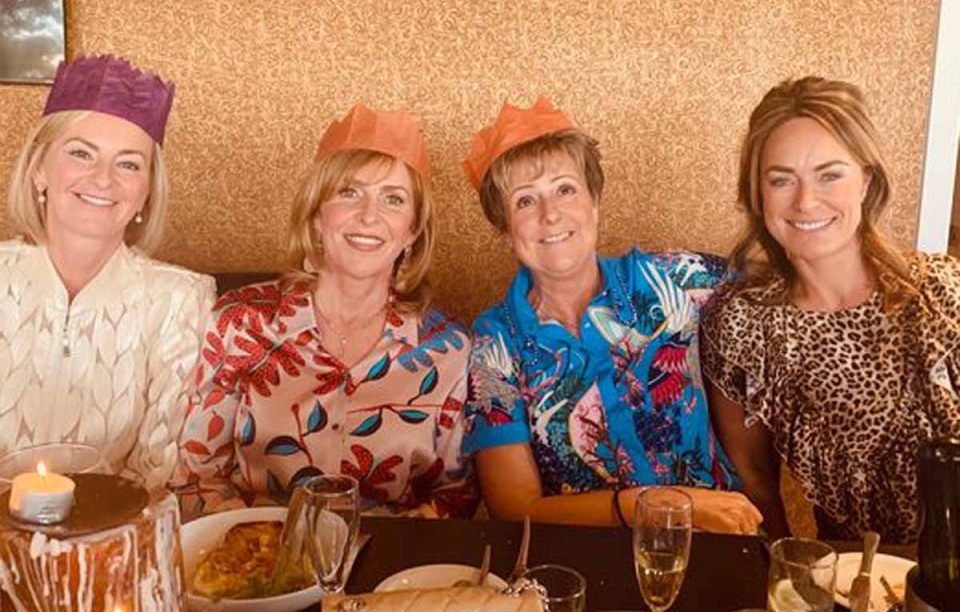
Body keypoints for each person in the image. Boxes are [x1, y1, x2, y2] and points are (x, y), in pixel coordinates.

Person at [461, 97, 762, 533]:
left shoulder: (673, 280)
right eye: (525, 201)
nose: (550, 215)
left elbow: (788, 282)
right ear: (505, 229)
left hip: (714, 542)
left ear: (594, 201)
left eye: (565, 189)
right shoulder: (495, 343)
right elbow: (513, 507)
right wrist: (648, 505)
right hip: (583, 562)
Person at [175, 105, 477, 520]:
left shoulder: (450, 350)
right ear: (317, 214)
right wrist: (258, 553)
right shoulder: (239, 323)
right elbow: (196, 477)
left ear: (411, 230)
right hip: (255, 562)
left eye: (393, 199)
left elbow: (455, 496)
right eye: (349, 193)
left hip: (388, 572)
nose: (370, 216)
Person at [701, 76, 960, 544]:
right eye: (782, 180)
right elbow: (757, 486)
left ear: (866, 179)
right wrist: (790, 588)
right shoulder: (741, 325)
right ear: (758, 195)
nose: (805, 201)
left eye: (829, 174)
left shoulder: (943, 297)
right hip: (851, 592)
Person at [0, 54, 215, 490]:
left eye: (129, 163)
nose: (103, 179)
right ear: (40, 169)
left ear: (146, 191)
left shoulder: (181, 300)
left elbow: (158, 475)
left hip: (113, 544)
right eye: (81, 153)